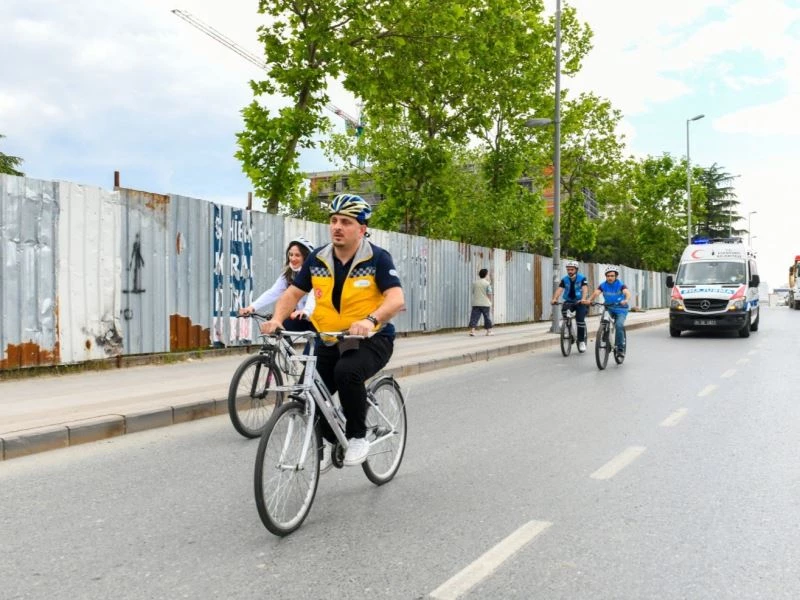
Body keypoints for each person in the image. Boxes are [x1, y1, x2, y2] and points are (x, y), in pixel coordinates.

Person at [261, 194, 405, 466]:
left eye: (346, 222)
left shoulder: (378, 258)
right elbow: (292, 294)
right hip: (328, 339)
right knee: (309, 390)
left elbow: (396, 299)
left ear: (361, 229)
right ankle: (329, 440)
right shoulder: (318, 258)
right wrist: (277, 319)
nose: (337, 226)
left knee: (346, 372)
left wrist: (370, 321)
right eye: (334, 220)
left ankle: (358, 436)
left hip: (371, 339)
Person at [238, 236, 316, 334]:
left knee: (312, 348)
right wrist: (252, 307)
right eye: (290, 255)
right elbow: (273, 292)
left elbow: (314, 295)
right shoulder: (288, 274)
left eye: (297, 255)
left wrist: (306, 311)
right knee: (277, 327)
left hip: (317, 322)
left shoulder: (315, 274)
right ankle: (287, 349)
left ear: (306, 257)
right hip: (301, 318)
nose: (292, 258)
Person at [584, 265, 632, 357]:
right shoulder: (603, 285)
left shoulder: (621, 285)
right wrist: (589, 300)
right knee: (604, 322)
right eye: (608, 276)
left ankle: (620, 349)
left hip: (620, 309)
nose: (610, 277)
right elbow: (596, 293)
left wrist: (625, 300)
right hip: (608, 308)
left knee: (619, 325)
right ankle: (605, 340)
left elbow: (627, 293)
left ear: (616, 276)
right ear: (606, 276)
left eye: (612, 276)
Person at [550, 260, 589, 352]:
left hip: (580, 302)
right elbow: (559, 289)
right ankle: (569, 332)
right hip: (569, 301)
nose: (570, 271)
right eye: (568, 269)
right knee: (565, 313)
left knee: (580, 320)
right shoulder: (564, 279)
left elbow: (585, 289)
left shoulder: (582, 278)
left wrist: (583, 299)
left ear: (576, 269)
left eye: (572, 269)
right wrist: (555, 298)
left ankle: (581, 341)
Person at [468, 268, 493, 336]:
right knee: (486, 317)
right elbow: (489, 293)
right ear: (486, 275)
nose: (488, 276)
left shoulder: (475, 283)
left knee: (474, 317)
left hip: (476, 303)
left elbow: (473, 292)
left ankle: (472, 331)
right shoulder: (487, 284)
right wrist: (490, 301)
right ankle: (488, 331)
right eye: (488, 274)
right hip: (485, 303)